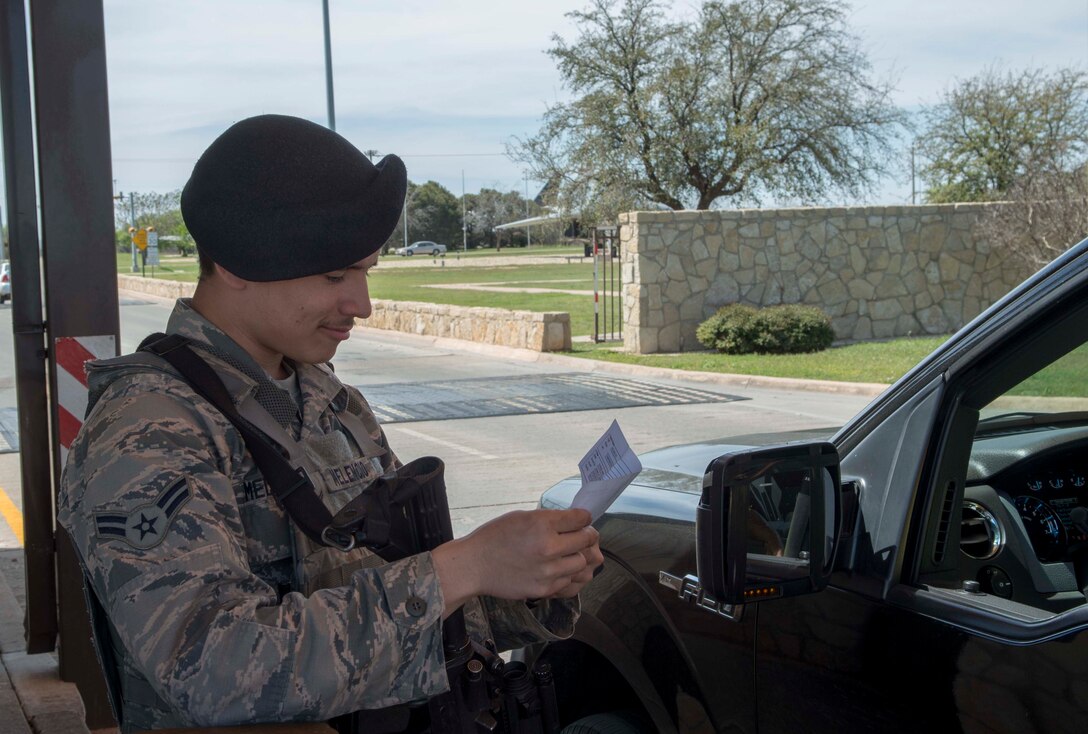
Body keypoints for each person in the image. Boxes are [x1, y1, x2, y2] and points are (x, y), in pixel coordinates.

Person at [57, 114, 603, 732]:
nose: (361, 305)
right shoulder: (150, 427)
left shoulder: (332, 402)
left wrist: (523, 581)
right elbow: (212, 667)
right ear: (238, 261)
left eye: (365, 272)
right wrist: (465, 566)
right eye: (334, 275)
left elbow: (400, 604)